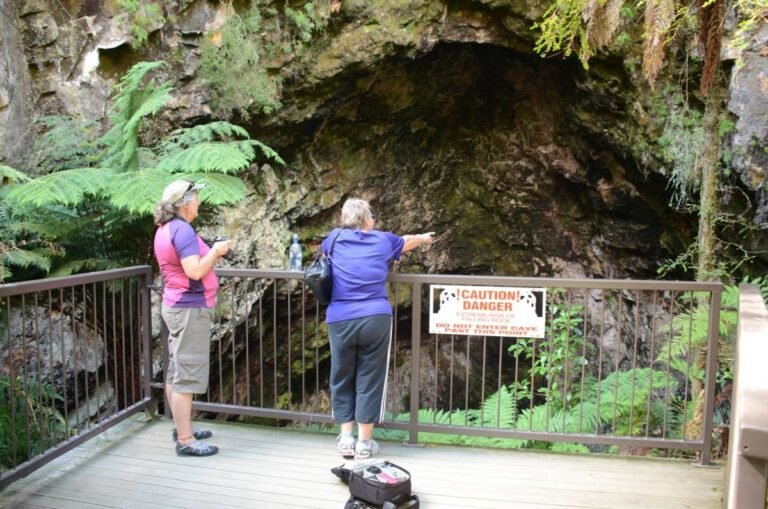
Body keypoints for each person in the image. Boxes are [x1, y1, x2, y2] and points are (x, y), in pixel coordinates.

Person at [322, 198, 434, 459]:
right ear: (368, 220)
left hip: (340, 317)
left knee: (341, 375)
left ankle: (346, 439)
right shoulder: (383, 240)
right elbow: (407, 241)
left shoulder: (334, 237)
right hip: (374, 317)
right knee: (370, 378)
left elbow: (326, 258)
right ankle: (364, 443)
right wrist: (424, 238)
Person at [153, 179, 231, 457]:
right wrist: (216, 251)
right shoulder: (183, 231)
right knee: (186, 373)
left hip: (176, 304)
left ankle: (180, 425)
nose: (199, 202)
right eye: (196, 197)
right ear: (185, 203)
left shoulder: (165, 229)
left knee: (176, 370)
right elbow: (195, 271)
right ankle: (185, 440)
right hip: (189, 308)